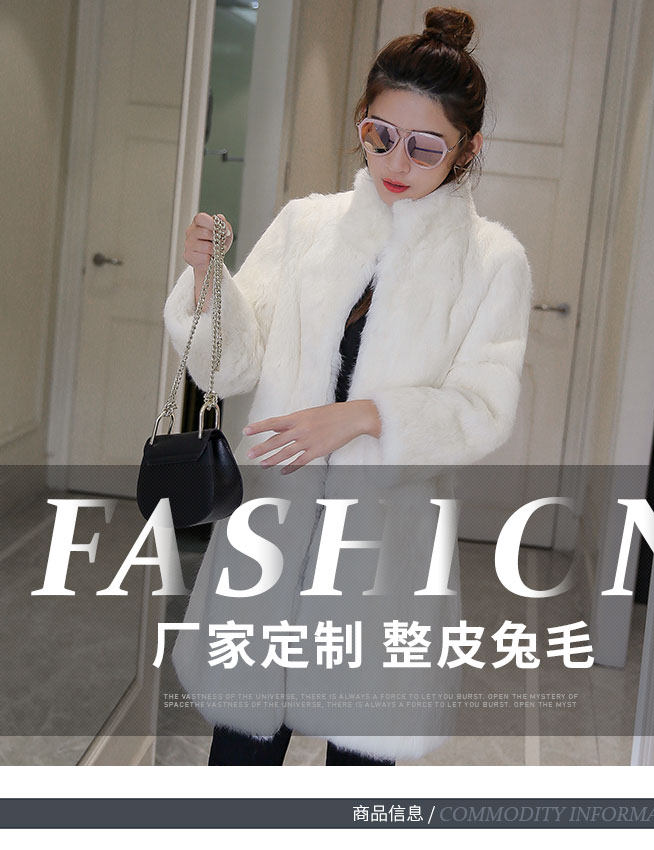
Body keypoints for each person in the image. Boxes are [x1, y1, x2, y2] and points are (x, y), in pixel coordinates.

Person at [163, 6, 532, 766]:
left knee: (357, 776)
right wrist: (207, 283)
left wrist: (366, 416)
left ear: (468, 149)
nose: (398, 162)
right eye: (380, 135)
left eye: (426, 146)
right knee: (238, 763)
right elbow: (230, 365)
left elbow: (483, 409)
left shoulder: (493, 261)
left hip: (385, 551)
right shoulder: (307, 227)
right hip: (273, 531)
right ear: (362, 120)